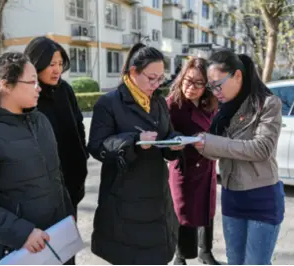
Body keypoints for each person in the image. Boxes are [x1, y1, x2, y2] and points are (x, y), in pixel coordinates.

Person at [0, 52, 74, 265]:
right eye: (32, 82)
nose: (39, 87)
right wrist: (22, 233)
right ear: (6, 85)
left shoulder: (40, 121)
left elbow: (56, 178)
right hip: (11, 251)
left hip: (55, 242)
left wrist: (68, 215)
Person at [88, 43, 184, 265]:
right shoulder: (109, 102)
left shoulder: (158, 101)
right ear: (133, 72)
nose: (156, 84)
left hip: (156, 196)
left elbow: (166, 133)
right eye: (151, 78)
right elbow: (97, 146)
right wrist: (133, 141)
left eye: (160, 79)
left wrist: (174, 141)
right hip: (124, 197)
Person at [194, 50, 285, 265]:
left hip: (262, 197)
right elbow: (217, 149)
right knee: (234, 260)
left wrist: (212, 142)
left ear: (237, 76)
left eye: (218, 84)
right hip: (232, 197)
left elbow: (261, 148)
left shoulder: (267, 104)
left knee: (255, 262)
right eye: (211, 86)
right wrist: (196, 143)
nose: (214, 91)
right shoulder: (222, 110)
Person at [24, 37, 88, 216]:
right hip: (39, 186)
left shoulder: (65, 90)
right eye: (51, 64)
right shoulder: (26, 95)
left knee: (67, 235)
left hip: (71, 177)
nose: (57, 70)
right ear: (36, 63)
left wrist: (82, 153)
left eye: (60, 64)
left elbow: (78, 124)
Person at [167, 58, 219, 265]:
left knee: (207, 210)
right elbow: (165, 133)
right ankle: (180, 256)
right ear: (181, 78)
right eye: (189, 81)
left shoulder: (211, 103)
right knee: (183, 212)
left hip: (206, 166)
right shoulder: (172, 103)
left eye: (199, 83)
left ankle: (206, 251)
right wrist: (175, 140)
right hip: (184, 167)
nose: (192, 87)